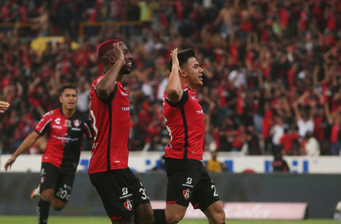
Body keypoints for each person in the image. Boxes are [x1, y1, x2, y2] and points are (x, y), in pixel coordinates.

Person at [153, 48, 226, 224]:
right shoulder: (179, 94)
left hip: (194, 163)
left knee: (218, 215)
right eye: (196, 66)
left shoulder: (190, 95)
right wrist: (175, 65)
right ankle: (130, 221)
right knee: (173, 216)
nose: (201, 70)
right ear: (182, 72)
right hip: (182, 162)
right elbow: (172, 90)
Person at [4, 85, 94, 224]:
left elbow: (94, 140)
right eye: (67, 96)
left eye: (73, 96)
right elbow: (33, 137)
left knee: (58, 206)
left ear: (77, 99)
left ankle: (43, 186)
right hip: (51, 159)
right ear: (61, 99)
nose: (71, 98)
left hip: (70, 164)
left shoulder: (84, 120)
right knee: (47, 194)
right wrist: (15, 156)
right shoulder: (50, 116)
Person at [89, 40, 154, 224]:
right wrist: (119, 62)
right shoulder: (101, 83)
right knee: (126, 221)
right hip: (106, 167)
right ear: (112, 58)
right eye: (125, 53)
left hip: (120, 167)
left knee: (146, 214)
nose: (130, 56)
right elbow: (102, 89)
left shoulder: (120, 88)